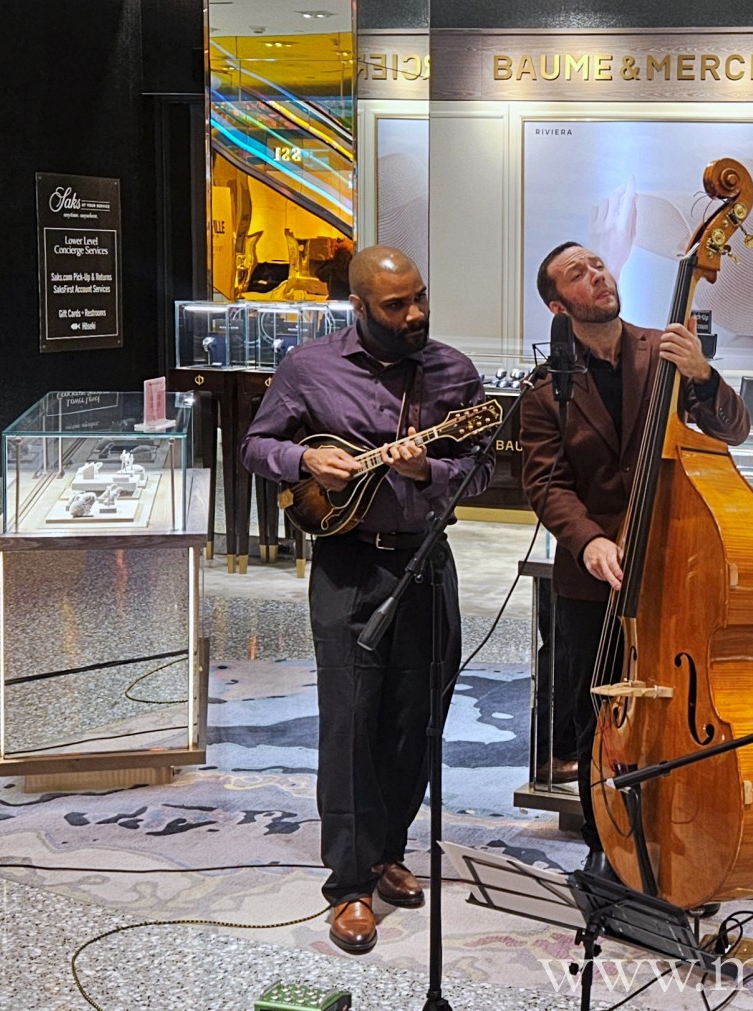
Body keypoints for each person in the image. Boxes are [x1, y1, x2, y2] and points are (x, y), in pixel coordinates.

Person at [241, 246, 493, 955]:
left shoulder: (454, 372)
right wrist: (304, 459)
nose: (415, 314)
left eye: (420, 298)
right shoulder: (308, 368)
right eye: (396, 305)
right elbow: (256, 446)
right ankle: (350, 883)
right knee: (351, 721)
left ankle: (389, 852)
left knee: (417, 719)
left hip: (425, 561)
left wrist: (427, 469)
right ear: (358, 306)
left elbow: (480, 471)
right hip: (348, 565)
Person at [518, 241, 751, 863]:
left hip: (675, 566)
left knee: (678, 713)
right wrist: (589, 539)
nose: (597, 276)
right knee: (597, 719)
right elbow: (545, 484)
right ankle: (606, 847)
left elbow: (734, 429)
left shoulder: (667, 351)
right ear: (557, 305)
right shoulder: (546, 389)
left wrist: (703, 375)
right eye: (578, 274)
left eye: (598, 265)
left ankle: (681, 841)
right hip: (593, 581)